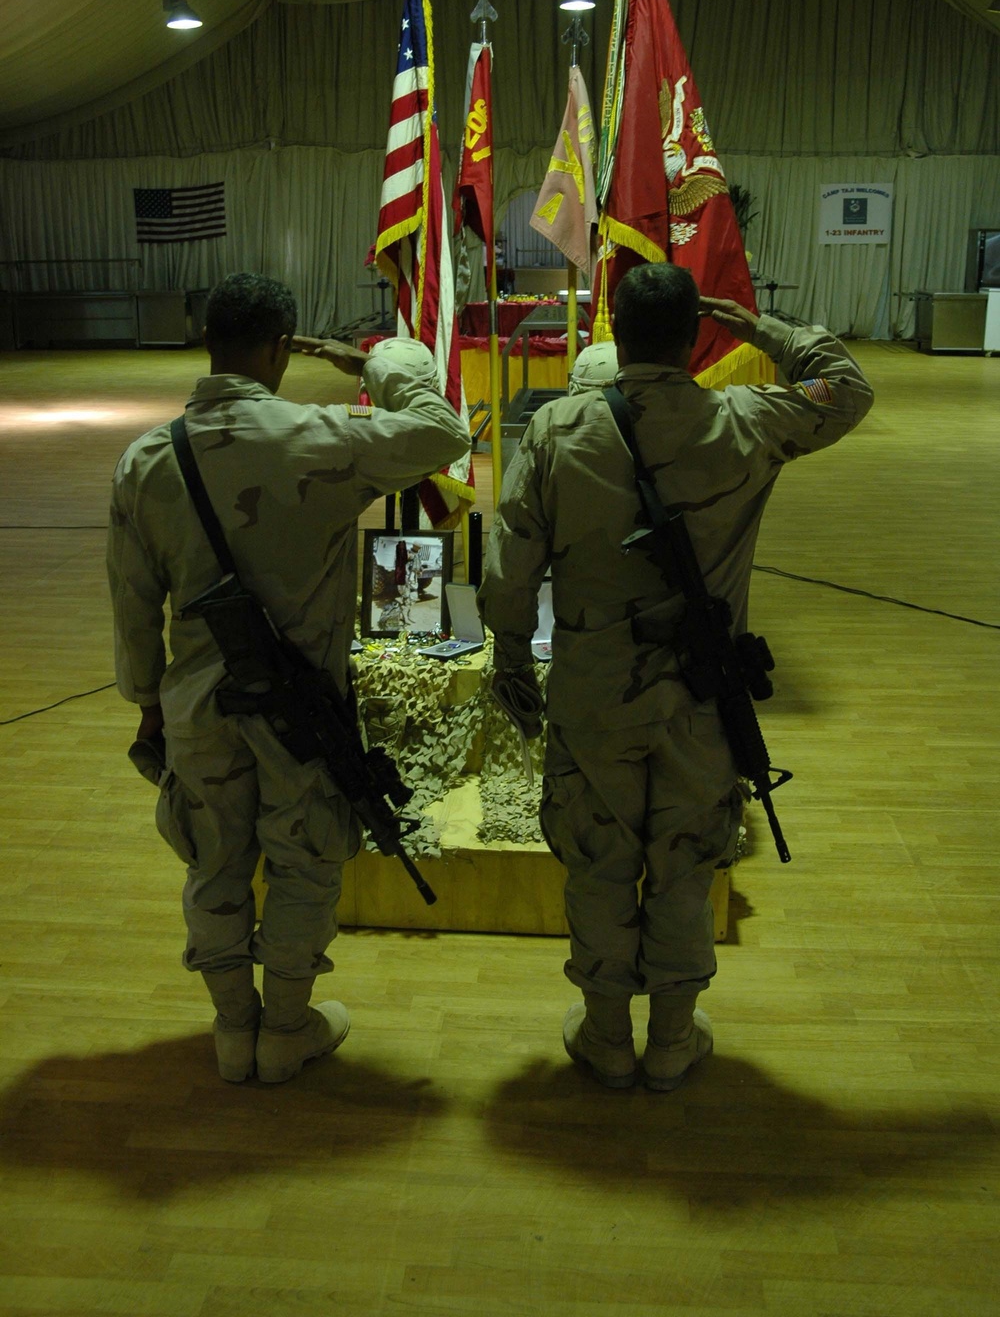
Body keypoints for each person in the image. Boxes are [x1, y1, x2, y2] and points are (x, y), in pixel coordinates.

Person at [478, 263, 874, 1091]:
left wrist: (512, 661)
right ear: (698, 336)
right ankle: (671, 1038)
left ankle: (605, 1035)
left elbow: (509, 573)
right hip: (700, 696)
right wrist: (760, 327)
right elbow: (845, 387)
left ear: (613, 332)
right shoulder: (747, 420)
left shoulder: (557, 430)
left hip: (591, 694)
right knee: (687, 859)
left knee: (599, 860)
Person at [107, 273, 469, 1084]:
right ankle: (288, 1028)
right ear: (282, 348)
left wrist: (146, 706)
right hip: (302, 712)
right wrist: (382, 361)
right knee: (304, 860)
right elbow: (442, 432)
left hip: (199, 704)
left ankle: (234, 1032)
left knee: (213, 860)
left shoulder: (146, 460)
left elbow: (133, 610)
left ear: (208, 340)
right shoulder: (324, 438)